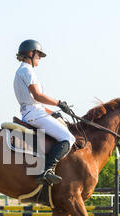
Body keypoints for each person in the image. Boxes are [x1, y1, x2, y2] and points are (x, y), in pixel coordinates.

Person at [13, 39, 76, 185]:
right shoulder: (27, 70)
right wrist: (59, 103)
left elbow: (36, 102)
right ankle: (47, 170)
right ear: (31, 53)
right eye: (38, 55)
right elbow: (38, 96)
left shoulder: (23, 71)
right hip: (34, 114)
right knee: (68, 138)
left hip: (33, 112)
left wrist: (54, 112)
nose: (39, 58)